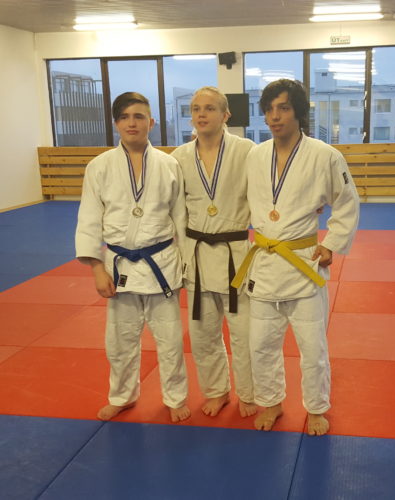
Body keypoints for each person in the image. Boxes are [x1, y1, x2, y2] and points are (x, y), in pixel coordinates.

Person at [232, 79, 359, 436]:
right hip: (264, 262)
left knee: (312, 348)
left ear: (298, 112)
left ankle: (316, 408)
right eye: (270, 109)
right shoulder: (255, 155)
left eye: (284, 108)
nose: (275, 116)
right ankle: (271, 402)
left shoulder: (325, 155)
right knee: (261, 346)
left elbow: (347, 201)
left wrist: (331, 243)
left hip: (303, 262)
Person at [75, 91, 190, 423]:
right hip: (119, 266)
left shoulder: (169, 165)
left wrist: (186, 264)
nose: (132, 123)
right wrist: (97, 268)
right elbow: (89, 218)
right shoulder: (99, 167)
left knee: (170, 341)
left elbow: (180, 218)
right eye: (125, 117)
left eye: (139, 116)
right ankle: (122, 396)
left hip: (161, 265)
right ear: (116, 123)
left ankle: (175, 397)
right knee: (120, 341)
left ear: (151, 122)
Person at [171, 87, 256, 417]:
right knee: (203, 333)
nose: (201, 114)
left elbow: (268, 192)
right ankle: (216, 391)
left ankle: (248, 393)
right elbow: (172, 208)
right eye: (195, 109)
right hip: (196, 255)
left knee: (244, 334)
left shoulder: (247, 150)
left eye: (209, 108)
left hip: (236, 255)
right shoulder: (179, 157)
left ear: (225, 115)